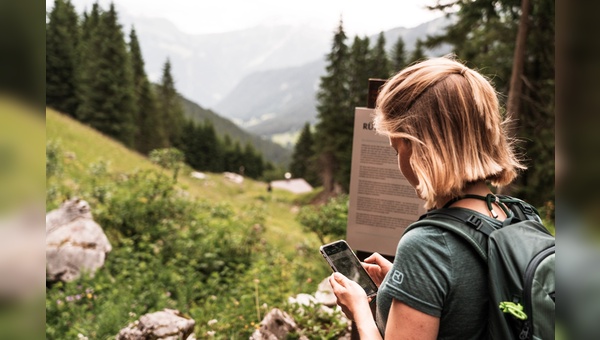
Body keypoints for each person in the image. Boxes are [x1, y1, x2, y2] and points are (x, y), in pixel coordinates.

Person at [329, 56, 526, 339]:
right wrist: (406, 282)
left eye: (397, 149)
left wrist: (360, 308)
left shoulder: (427, 246)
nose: (399, 162)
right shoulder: (517, 216)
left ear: (416, 146)